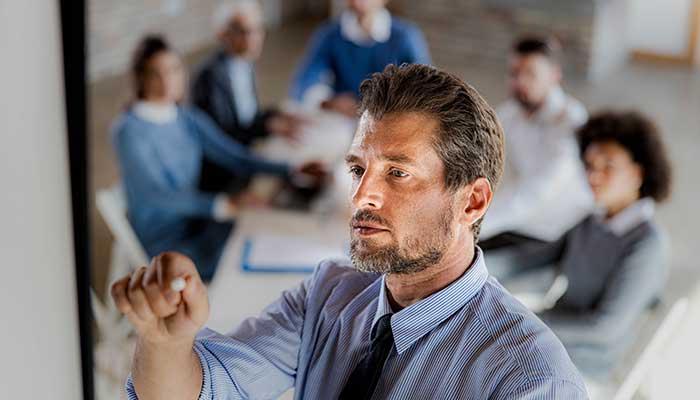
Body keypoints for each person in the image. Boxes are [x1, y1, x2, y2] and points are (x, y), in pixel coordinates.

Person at [112, 64, 588, 399]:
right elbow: (210, 389)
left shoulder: (532, 380)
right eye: (359, 170)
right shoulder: (327, 294)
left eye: (397, 173)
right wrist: (165, 343)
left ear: (473, 201)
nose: (361, 197)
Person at [112, 35, 324, 282]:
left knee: (265, 231)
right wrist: (221, 205)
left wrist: (292, 169)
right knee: (248, 258)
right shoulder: (128, 130)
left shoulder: (187, 118)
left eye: (173, 69)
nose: (166, 79)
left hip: (200, 222)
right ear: (140, 78)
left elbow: (236, 157)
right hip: (168, 244)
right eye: (154, 73)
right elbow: (156, 195)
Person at [487, 111, 673, 376]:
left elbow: (604, 330)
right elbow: (526, 260)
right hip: (548, 340)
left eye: (607, 166)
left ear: (638, 173)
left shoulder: (647, 245)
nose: (593, 177)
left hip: (584, 362)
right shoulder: (591, 223)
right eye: (589, 166)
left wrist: (522, 323)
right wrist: (467, 264)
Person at [479, 36, 592, 250]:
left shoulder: (570, 121)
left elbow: (538, 191)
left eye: (530, 74)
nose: (519, 81)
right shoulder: (509, 113)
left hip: (554, 232)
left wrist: (477, 223)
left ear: (554, 76)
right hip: (514, 218)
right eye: (514, 73)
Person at [191, 1, 307, 193]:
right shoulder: (209, 78)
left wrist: (275, 116)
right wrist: (267, 126)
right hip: (223, 174)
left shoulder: (245, 63)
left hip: (245, 158)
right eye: (244, 32)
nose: (254, 39)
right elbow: (221, 140)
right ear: (223, 34)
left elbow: (247, 119)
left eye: (258, 30)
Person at [289, 0, 431, 118]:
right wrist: (328, 102)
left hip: (388, 116)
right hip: (344, 117)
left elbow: (425, 84)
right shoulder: (330, 34)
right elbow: (307, 78)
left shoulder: (405, 36)